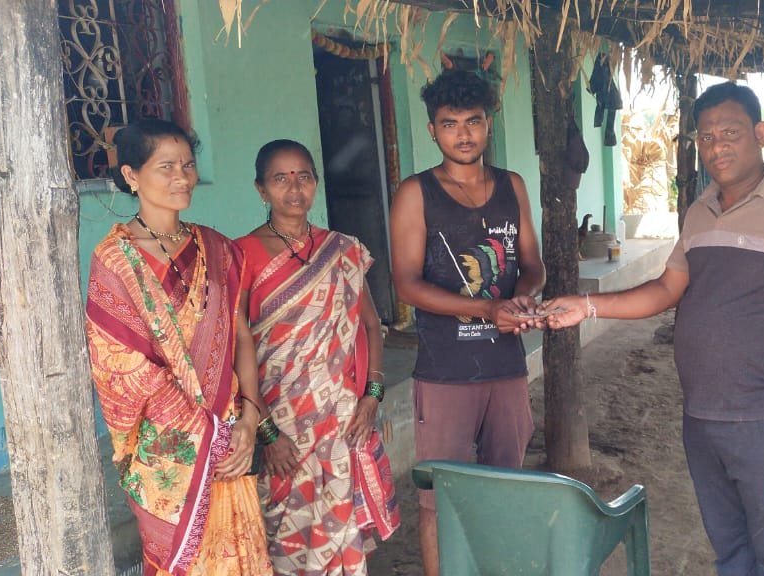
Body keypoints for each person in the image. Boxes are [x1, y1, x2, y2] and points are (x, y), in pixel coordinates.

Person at [545, 81, 764, 575]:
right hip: (701, 416)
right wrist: (587, 306)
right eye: (706, 137)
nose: (717, 146)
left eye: (731, 133)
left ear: (760, 133)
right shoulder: (701, 211)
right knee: (730, 550)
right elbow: (666, 289)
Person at [84, 119, 272, 575]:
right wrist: (206, 434)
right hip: (172, 451)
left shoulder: (217, 249)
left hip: (231, 434)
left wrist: (249, 419)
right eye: (165, 166)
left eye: (188, 165)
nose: (182, 177)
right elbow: (120, 366)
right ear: (131, 175)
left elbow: (240, 336)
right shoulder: (115, 261)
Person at [388, 68, 545, 576]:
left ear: (488, 124)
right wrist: (488, 310)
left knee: (506, 488)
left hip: (507, 368)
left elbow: (533, 265)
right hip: (445, 372)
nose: (463, 134)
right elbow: (406, 285)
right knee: (440, 498)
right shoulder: (416, 193)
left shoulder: (511, 186)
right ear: (432, 130)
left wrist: (522, 300)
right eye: (449, 123)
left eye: (473, 121)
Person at [237, 140, 400, 574]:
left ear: (316, 183)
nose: (294, 188)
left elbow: (370, 325)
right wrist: (266, 431)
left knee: (344, 533)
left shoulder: (343, 250)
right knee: (286, 534)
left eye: (304, 177)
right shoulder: (241, 256)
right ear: (260, 189)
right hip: (281, 422)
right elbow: (237, 347)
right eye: (280, 178)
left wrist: (373, 395)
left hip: (342, 417)